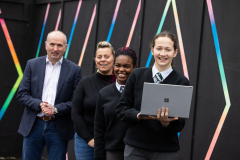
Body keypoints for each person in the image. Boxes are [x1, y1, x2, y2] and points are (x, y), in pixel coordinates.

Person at [116, 31, 190, 160]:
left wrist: (166, 123)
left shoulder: (182, 82)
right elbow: (121, 109)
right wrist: (138, 115)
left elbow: (180, 123)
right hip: (135, 149)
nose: (163, 53)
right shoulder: (136, 75)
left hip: (165, 151)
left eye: (168, 49)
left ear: (175, 52)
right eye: (159, 48)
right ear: (152, 50)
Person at [17, 30, 82, 160]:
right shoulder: (32, 64)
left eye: (59, 45)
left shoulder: (75, 70)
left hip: (58, 127)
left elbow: (76, 101)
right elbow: (22, 94)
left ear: (65, 47)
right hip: (33, 124)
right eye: (52, 44)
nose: (55, 49)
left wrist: (56, 109)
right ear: (46, 45)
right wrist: (39, 105)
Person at [71, 41, 116, 160]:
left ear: (113, 59)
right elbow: (75, 113)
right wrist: (89, 139)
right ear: (95, 60)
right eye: (99, 57)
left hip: (113, 141)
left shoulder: (121, 83)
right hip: (86, 141)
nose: (103, 60)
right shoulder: (85, 83)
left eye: (107, 56)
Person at [94, 47, 137, 160]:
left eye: (127, 66)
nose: (121, 69)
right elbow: (99, 129)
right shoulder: (104, 93)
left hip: (136, 151)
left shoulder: (140, 92)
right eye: (118, 65)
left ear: (134, 68)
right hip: (113, 152)